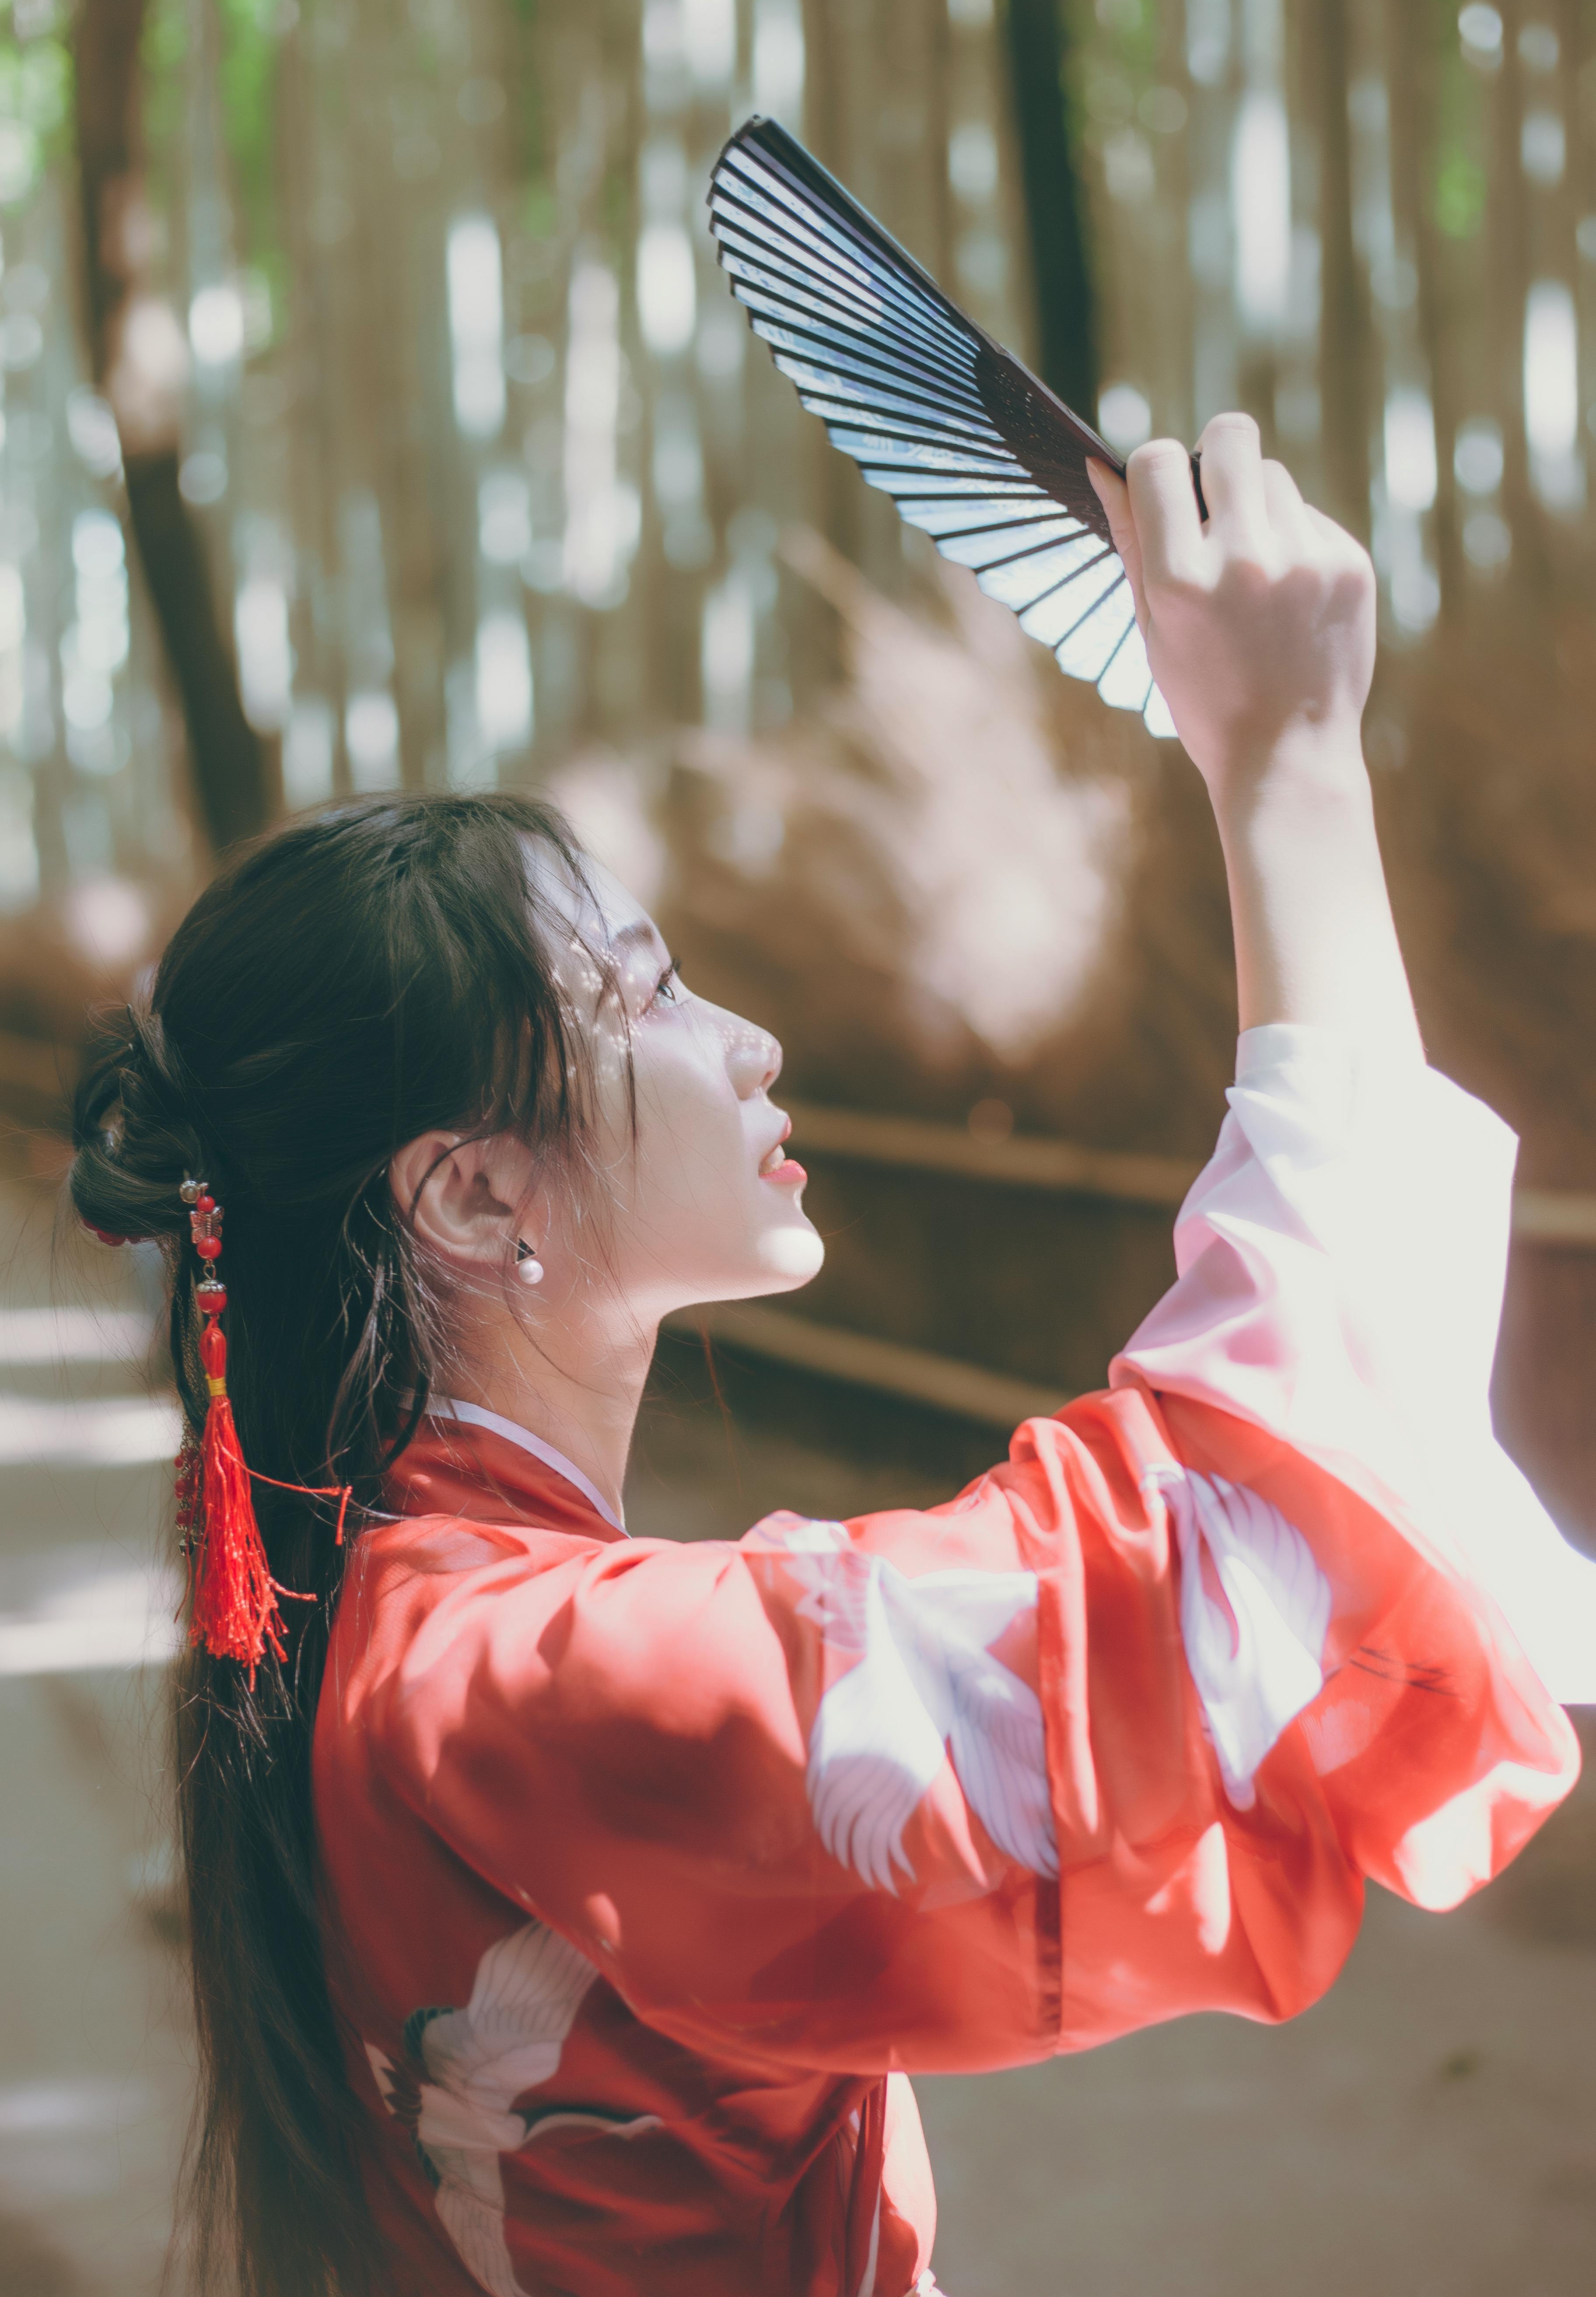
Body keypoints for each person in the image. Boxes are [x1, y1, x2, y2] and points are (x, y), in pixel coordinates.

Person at [70, 417, 1596, 2297]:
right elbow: (1209, 1574)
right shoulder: (517, 1690)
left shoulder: (418, 1646)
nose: (746, 1040)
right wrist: (1287, 775)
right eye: (640, 996)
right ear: (472, 1200)